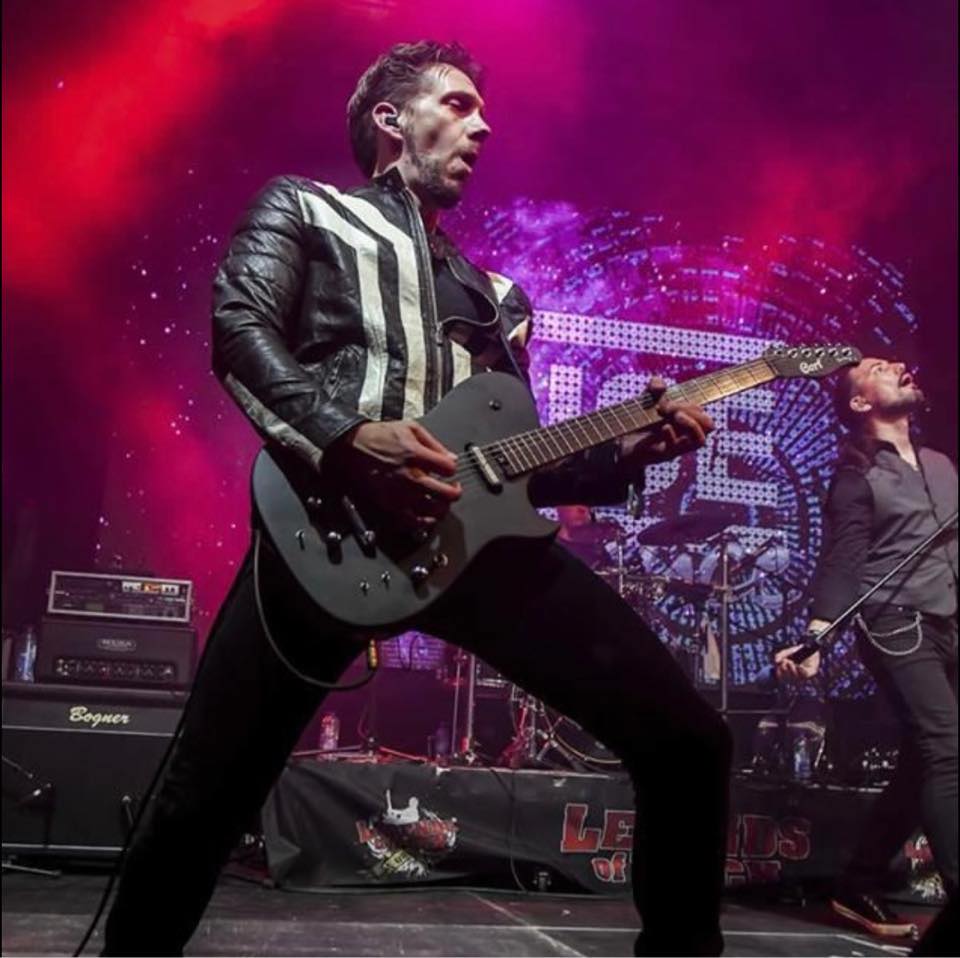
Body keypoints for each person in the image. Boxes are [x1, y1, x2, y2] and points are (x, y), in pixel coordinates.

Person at [103, 41, 731, 957]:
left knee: (688, 741)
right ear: (391, 119)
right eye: (460, 104)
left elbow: (513, 466)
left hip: (478, 551)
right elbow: (239, 330)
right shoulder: (303, 208)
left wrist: (625, 452)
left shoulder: (499, 297)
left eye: (484, 111)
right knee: (208, 792)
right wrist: (349, 439)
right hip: (328, 532)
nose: (484, 127)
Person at [777, 357, 958, 938]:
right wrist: (817, 636)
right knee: (947, 747)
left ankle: (859, 880)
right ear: (860, 403)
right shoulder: (856, 475)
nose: (901, 365)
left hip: (951, 619)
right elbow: (845, 559)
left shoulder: (940, 464)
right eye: (881, 368)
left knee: (921, 762)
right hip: (896, 623)